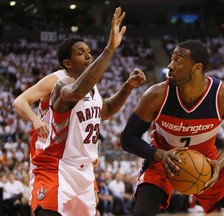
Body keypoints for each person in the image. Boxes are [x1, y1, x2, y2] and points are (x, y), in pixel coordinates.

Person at [14, 7, 146, 216]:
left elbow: (107, 110)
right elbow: (20, 101)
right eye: (80, 53)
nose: (88, 56)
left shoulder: (92, 87)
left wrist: (127, 86)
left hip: (84, 169)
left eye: (88, 51)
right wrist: (35, 119)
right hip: (55, 165)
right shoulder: (59, 81)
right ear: (67, 63)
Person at [121, 40, 224, 216]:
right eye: (171, 59)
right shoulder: (156, 94)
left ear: (197, 68)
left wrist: (219, 163)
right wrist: (159, 154)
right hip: (162, 161)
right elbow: (128, 138)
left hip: (207, 162)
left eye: (178, 61)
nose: (170, 66)